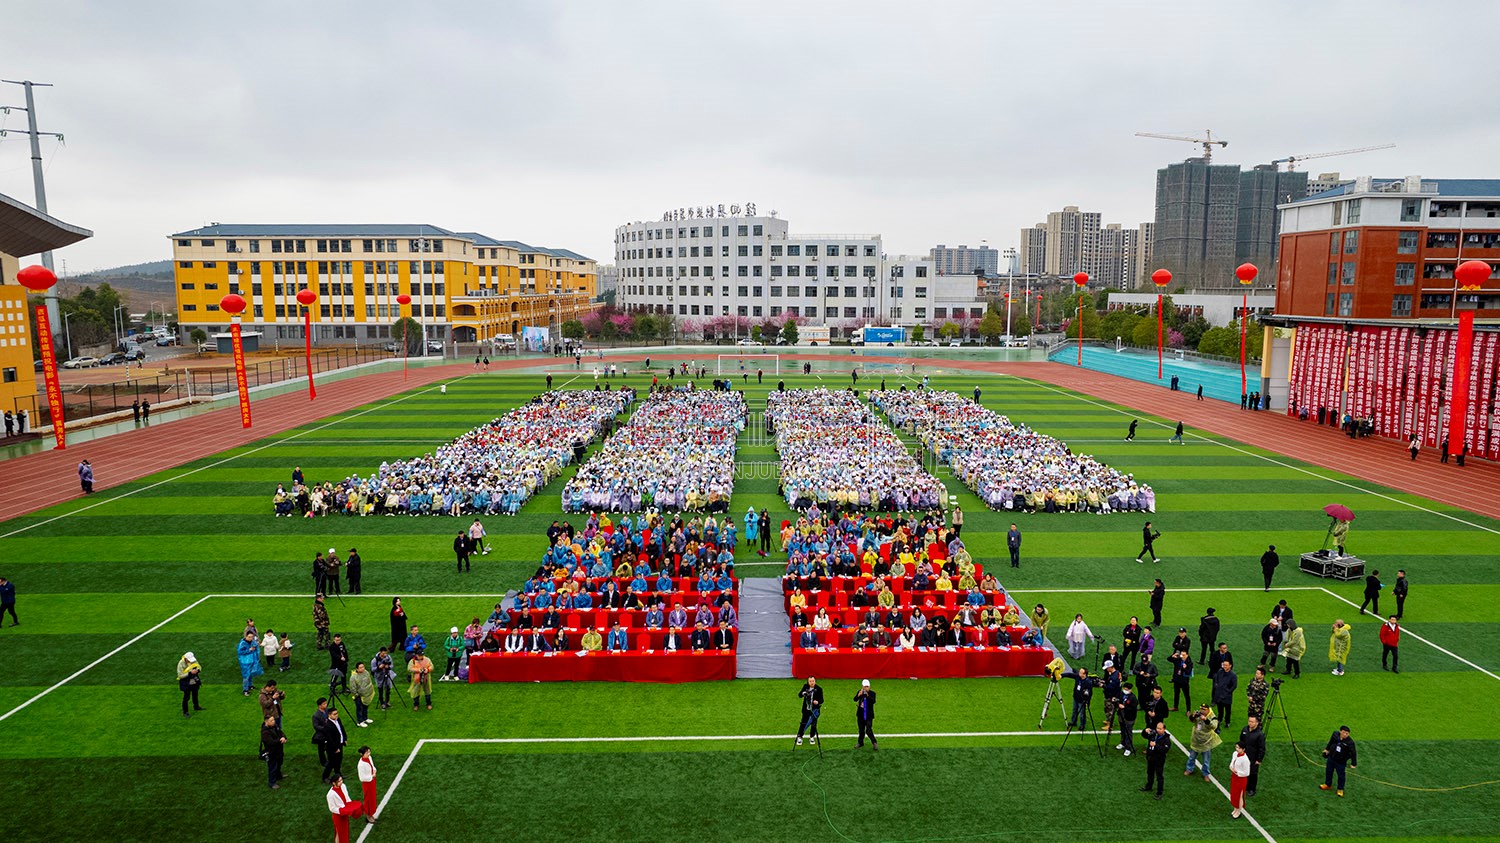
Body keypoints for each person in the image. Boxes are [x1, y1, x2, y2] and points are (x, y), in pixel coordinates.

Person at [1185, 704, 1221, 780]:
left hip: (1206, 741)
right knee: (1192, 757)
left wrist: (1206, 720)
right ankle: (1189, 769)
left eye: (1204, 709)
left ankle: (1205, 773)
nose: (1202, 711)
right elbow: (1191, 720)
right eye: (1201, 709)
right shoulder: (1198, 714)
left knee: (1206, 760)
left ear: (1208, 709)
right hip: (1196, 739)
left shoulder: (1213, 717)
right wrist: (1193, 716)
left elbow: (1214, 726)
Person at [1321, 725, 1358, 796]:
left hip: (1341, 761)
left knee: (1341, 775)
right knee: (1328, 771)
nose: (1345, 734)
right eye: (1344, 732)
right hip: (1331, 757)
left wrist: (1353, 763)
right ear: (1340, 731)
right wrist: (1327, 749)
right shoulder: (1335, 734)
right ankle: (1328, 785)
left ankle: (1340, 789)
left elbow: (1353, 753)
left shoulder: (1350, 742)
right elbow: (1331, 741)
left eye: (1347, 733)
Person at [326, 774, 364, 843]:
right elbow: (332, 808)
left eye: (341, 780)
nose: (341, 782)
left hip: (344, 813)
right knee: (339, 833)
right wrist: (341, 811)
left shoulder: (343, 786)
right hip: (338, 816)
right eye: (339, 781)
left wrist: (350, 808)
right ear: (334, 783)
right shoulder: (330, 794)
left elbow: (347, 798)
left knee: (343, 832)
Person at [1141, 721, 1171, 800]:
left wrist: (1156, 745)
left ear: (1164, 729)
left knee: (1159, 776)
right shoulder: (1154, 734)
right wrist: (1145, 731)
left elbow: (1165, 750)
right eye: (1157, 728)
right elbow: (1144, 735)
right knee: (1150, 773)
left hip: (1159, 760)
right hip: (1151, 758)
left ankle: (1159, 793)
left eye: (1160, 729)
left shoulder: (1166, 739)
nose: (1158, 730)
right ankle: (1149, 786)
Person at [1238, 715, 1267, 797]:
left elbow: (1262, 748)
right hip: (1244, 756)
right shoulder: (1245, 729)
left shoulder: (1260, 734)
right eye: (1249, 721)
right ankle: (1245, 786)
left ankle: (1252, 789)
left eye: (1252, 722)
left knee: (1253, 774)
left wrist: (1259, 759)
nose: (1250, 723)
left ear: (1257, 723)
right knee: (1244, 771)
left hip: (1253, 758)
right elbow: (1241, 741)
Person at [322, 707, 348, 782]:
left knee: (339, 761)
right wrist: (335, 748)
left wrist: (345, 739)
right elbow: (329, 739)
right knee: (331, 763)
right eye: (334, 714)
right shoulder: (327, 725)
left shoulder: (338, 720)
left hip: (340, 744)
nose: (336, 715)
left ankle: (338, 774)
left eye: (337, 713)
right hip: (332, 747)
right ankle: (325, 777)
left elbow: (342, 729)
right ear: (329, 715)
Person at [796, 677, 823, 745]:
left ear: (815, 681)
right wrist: (803, 693)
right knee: (803, 723)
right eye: (810, 681)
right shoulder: (805, 687)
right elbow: (799, 695)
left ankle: (812, 737)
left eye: (813, 681)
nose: (812, 682)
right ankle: (800, 736)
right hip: (806, 709)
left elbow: (822, 700)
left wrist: (817, 702)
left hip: (814, 710)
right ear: (808, 682)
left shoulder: (819, 689)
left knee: (813, 723)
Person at [261, 714, 286, 789]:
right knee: (272, 767)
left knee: (279, 763)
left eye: (273, 720)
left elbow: (281, 733)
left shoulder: (275, 726)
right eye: (271, 720)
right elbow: (270, 742)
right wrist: (280, 740)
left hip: (278, 750)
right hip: (272, 752)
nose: (273, 721)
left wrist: (284, 737)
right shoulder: (265, 732)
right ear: (266, 722)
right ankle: (272, 783)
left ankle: (278, 776)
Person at [1228, 742, 1252, 818]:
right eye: (1236, 747)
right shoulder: (1235, 753)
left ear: (1243, 749)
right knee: (1234, 794)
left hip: (1241, 779)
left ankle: (1238, 811)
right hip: (1234, 777)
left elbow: (1247, 773)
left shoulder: (1245, 760)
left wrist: (1237, 772)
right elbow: (1232, 762)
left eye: (1239, 748)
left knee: (1239, 795)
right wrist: (1231, 767)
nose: (1237, 749)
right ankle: (1235, 809)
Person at [1115, 681, 1138, 756]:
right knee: (1122, 730)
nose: (1125, 690)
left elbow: (1133, 709)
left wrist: (1124, 707)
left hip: (1129, 717)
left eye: (1127, 689)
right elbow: (1118, 700)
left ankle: (1128, 748)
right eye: (1124, 689)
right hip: (1121, 715)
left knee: (1128, 732)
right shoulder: (1121, 694)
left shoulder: (1133, 698)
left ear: (1130, 690)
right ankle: (1123, 743)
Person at [356, 746, 378, 825]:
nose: (369, 754)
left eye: (369, 752)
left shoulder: (369, 758)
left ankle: (371, 814)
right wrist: (372, 776)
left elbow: (372, 766)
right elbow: (362, 778)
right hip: (367, 783)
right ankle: (368, 816)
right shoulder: (361, 765)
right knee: (368, 799)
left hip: (372, 781)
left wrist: (374, 771)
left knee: (372, 798)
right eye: (366, 752)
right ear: (361, 754)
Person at [1212, 659, 1237, 728]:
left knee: (1228, 710)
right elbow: (1216, 679)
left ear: (1230, 666)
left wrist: (1228, 691)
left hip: (1227, 696)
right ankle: (1219, 719)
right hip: (1219, 694)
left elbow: (1234, 685)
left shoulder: (1233, 675)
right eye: (1224, 665)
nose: (1224, 666)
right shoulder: (1220, 671)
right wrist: (1216, 685)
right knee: (1220, 709)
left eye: (1226, 665)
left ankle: (1227, 722)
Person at [177, 651, 203, 718]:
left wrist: (197, 671)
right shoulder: (181, 663)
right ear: (185, 659)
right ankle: (185, 712)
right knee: (186, 697)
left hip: (194, 681)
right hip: (186, 683)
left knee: (195, 694)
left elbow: (199, 667)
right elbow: (180, 676)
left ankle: (196, 707)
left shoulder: (194, 661)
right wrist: (190, 673)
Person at [237, 631, 263, 696]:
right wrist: (249, 650)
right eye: (249, 637)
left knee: (251, 673)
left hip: (253, 660)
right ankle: (245, 690)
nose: (250, 638)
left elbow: (257, 650)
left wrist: (258, 658)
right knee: (246, 675)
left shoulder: (253, 642)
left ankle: (250, 685)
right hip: (245, 662)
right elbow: (240, 652)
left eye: (252, 637)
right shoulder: (242, 643)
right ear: (246, 636)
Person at [349, 662, 375, 726]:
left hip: (367, 694)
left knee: (365, 706)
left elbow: (369, 682)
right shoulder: (353, 677)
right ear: (357, 669)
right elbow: (352, 688)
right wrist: (357, 695)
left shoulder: (366, 672)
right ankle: (360, 721)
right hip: (359, 696)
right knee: (359, 708)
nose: (363, 668)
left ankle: (365, 718)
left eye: (363, 667)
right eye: (360, 667)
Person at [854, 679, 878, 749]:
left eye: (867, 686)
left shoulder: (872, 693)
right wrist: (858, 695)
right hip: (861, 714)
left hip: (868, 715)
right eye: (865, 686)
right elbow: (855, 699)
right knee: (861, 730)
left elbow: (873, 701)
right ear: (862, 686)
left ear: (869, 687)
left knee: (868, 730)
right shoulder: (860, 692)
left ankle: (874, 742)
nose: (866, 688)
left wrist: (867, 696)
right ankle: (860, 743)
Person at [313, 698, 332, 776]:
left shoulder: (327, 711)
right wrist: (324, 728)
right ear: (319, 705)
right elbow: (315, 726)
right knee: (321, 749)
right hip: (321, 735)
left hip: (328, 733)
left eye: (326, 703)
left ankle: (330, 759)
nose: (326, 705)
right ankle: (323, 761)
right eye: (324, 704)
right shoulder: (316, 715)